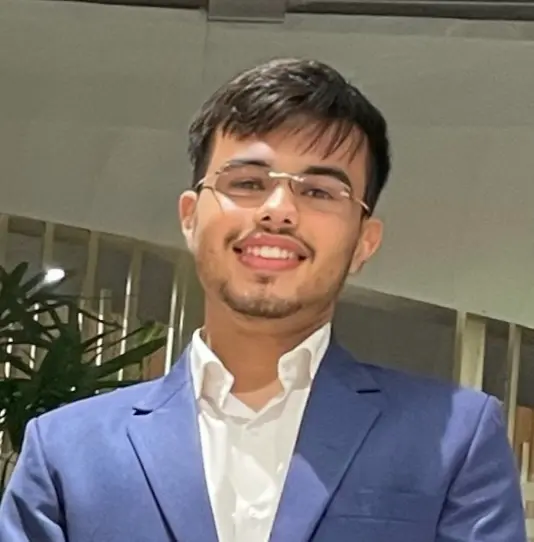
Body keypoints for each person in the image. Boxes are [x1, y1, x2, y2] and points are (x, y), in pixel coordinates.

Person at [0, 58, 526, 542]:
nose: (278, 210)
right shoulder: (67, 451)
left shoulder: (453, 438)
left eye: (318, 191)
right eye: (248, 182)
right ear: (190, 217)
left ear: (365, 242)